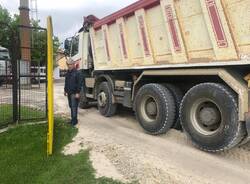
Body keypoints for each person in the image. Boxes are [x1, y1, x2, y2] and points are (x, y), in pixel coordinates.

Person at [64, 58, 81, 126]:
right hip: (69, 92)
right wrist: (65, 90)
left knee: (74, 107)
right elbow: (66, 82)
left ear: (73, 64)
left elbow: (80, 83)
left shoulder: (77, 73)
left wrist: (78, 92)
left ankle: (74, 121)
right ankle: (72, 119)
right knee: (71, 106)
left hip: (74, 93)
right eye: (68, 64)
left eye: (70, 64)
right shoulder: (68, 72)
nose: (69, 66)